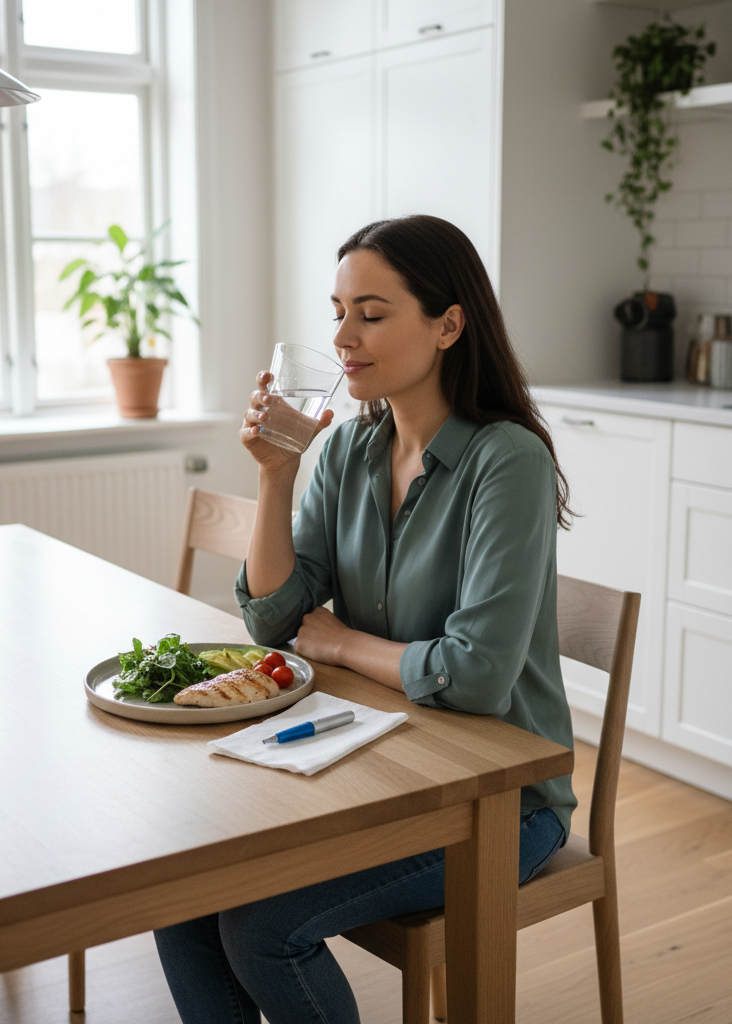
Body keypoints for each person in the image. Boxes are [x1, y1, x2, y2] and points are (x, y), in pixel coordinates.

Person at [154, 215, 577, 1024]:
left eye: (372, 314)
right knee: (181, 889)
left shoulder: (507, 459)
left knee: (262, 927)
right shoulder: (347, 450)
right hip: (381, 758)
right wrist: (278, 476)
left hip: (502, 804)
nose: (344, 336)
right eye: (338, 311)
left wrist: (345, 641)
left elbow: (478, 675)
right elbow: (275, 621)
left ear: (448, 324)